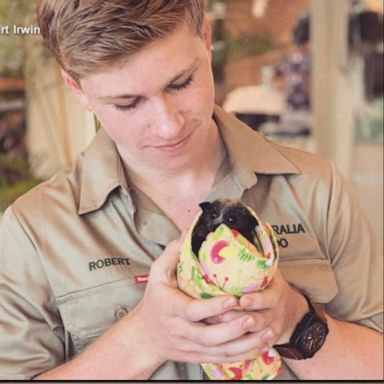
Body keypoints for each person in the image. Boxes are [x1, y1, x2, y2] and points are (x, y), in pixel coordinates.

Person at [0, 0, 382, 380]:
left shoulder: (317, 189)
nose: (167, 125)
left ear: (206, 38)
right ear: (76, 88)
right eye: (127, 103)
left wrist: (294, 323)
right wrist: (141, 341)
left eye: (180, 83)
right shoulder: (33, 231)